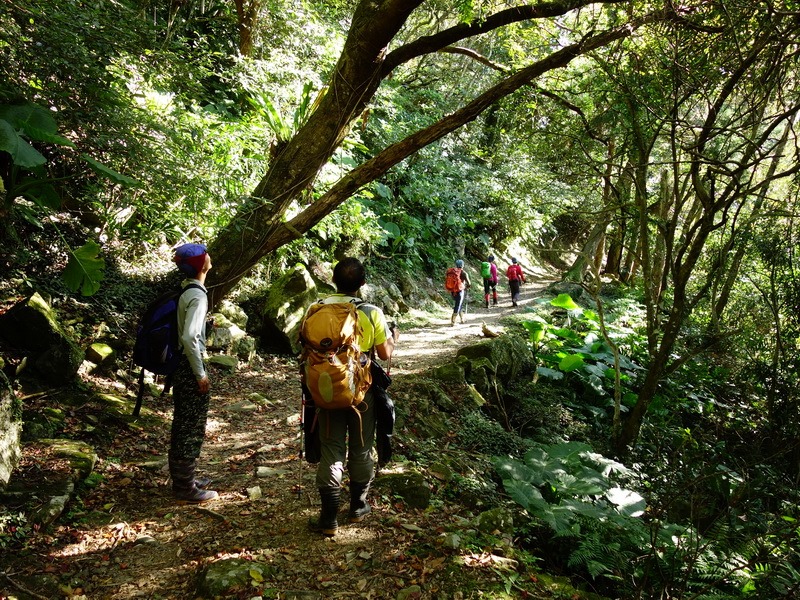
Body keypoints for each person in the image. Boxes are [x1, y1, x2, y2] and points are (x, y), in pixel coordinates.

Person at [307, 257, 398, 536]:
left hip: (325, 387)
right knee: (360, 446)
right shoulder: (371, 312)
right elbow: (385, 354)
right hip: (362, 390)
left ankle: (328, 518)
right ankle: (358, 507)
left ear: (333, 280)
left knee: (331, 447)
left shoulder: (316, 308)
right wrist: (394, 337)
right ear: (362, 283)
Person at [168, 243, 218, 503]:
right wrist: (200, 374)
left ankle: (185, 479)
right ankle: (184, 487)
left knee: (183, 422)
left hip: (181, 364)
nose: (210, 256)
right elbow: (189, 337)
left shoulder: (187, 289)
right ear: (201, 264)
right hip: (190, 366)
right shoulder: (197, 295)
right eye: (206, 254)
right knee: (190, 425)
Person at [450, 259, 471, 326]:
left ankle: (462, 319)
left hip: (453, 290)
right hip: (460, 291)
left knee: (459, 304)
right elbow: (469, 283)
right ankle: (453, 321)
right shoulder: (464, 273)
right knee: (458, 305)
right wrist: (467, 286)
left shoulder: (453, 272)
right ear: (462, 265)